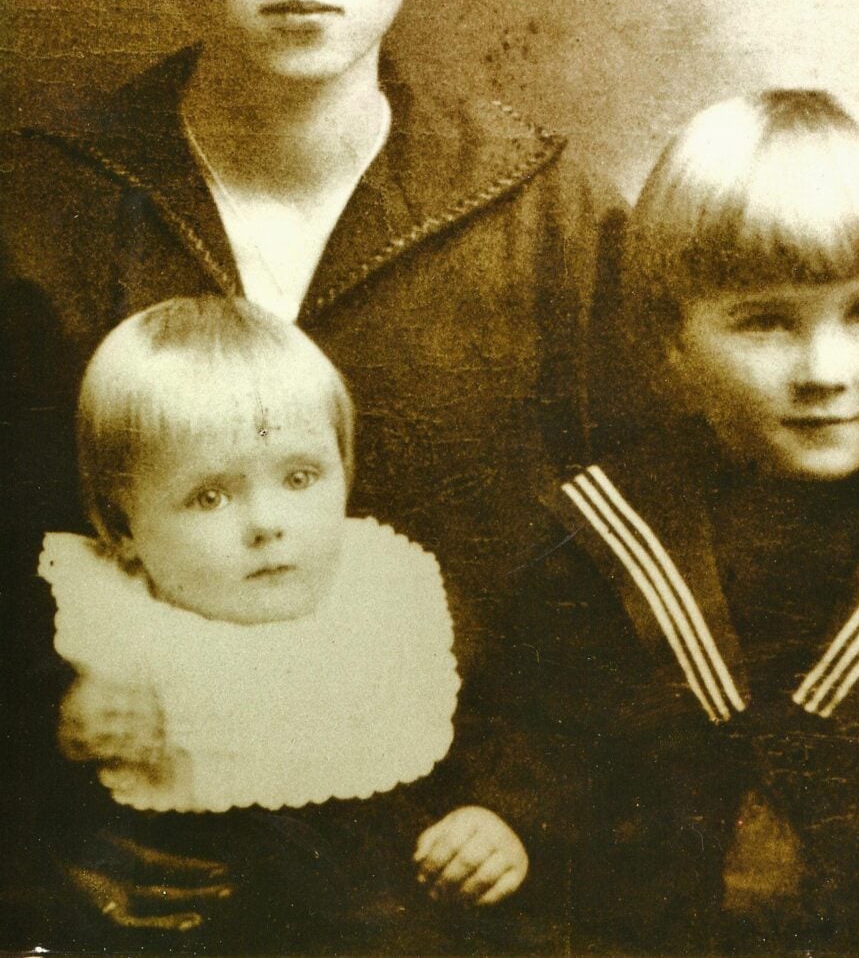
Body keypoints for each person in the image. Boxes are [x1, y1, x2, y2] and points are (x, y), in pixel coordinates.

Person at [0, 0, 620, 946]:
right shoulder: (40, 214)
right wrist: (40, 837)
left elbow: (644, 589)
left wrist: (529, 805)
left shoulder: (554, 229)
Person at [525, 89, 859, 953]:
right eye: (765, 321)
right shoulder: (601, 548)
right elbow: (546, 805)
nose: (823, 370)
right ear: (672, 337)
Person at [42, 296, 530, 953]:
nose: (268, 522)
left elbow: (502, 739)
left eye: (300, 476)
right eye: (209, 495)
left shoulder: (393, 600)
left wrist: (494, 820)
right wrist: (66, 724)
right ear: (124, 521)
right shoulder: (93, 633)